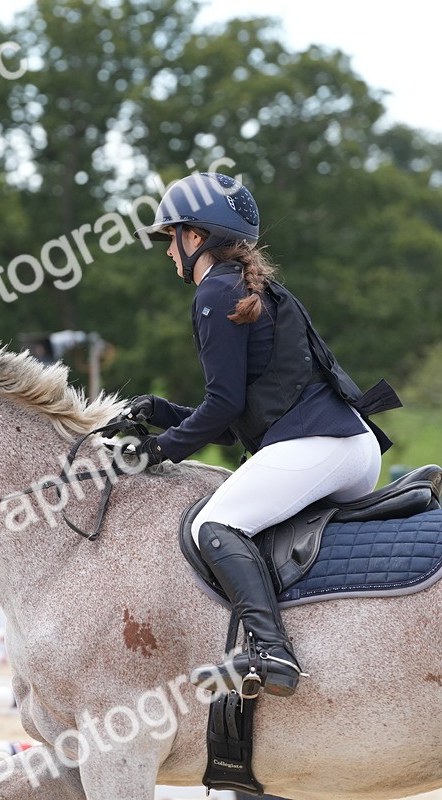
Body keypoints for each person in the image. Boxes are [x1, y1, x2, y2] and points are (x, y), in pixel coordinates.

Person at [129, 172, 399, 698]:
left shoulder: (215, 293)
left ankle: (271, 650)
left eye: (171, 237)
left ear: (197, 236)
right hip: (346, 446)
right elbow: (236, 423)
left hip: (320, 446)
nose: (168, 253)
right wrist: (162, 411)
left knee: (215, 524)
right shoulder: (253, 288)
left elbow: (223, 405)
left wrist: (160, 451)